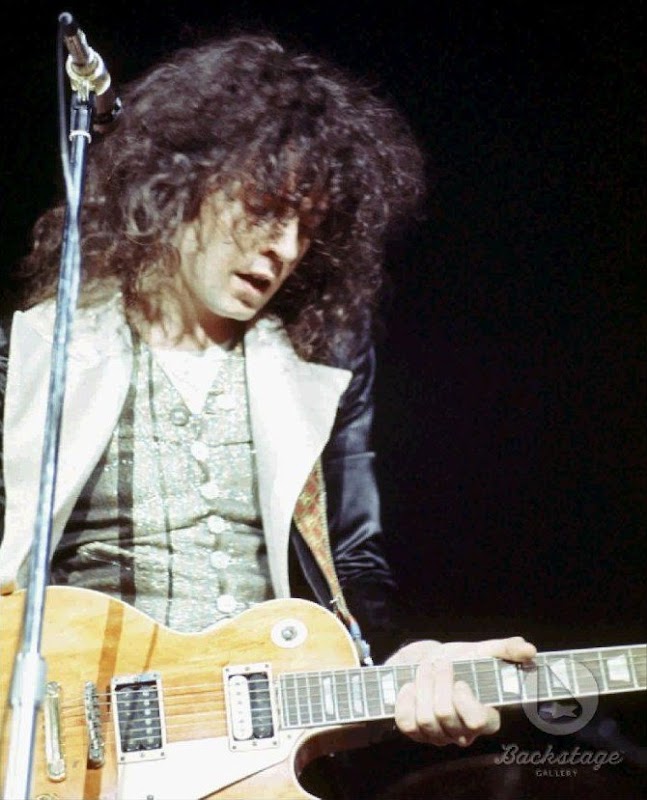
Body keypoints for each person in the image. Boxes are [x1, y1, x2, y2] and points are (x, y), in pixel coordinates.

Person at [0, 32, 535, 791]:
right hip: (77, 752)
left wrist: (407, 661)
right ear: (180, 184)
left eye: (305, 226)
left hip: (260, 750)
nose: (284, 247)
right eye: (264, 208)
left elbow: (352, 561)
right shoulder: (35, 354)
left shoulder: (314, 368)